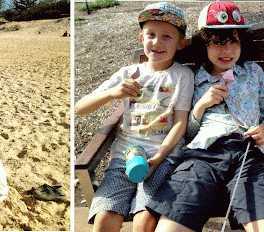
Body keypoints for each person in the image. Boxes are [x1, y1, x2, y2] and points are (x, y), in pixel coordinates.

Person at [146, 2, 264, 232]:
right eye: (218, 43)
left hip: (248, 154)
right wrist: (201, 106)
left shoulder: (253, 72)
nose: (227, 50)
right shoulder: (193, 78)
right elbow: (187, 133)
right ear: (204, 44)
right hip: (202, 157)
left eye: (234, 41)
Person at [75, 2, 194, 231]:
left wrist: (157, 159)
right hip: (124, 156)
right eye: (151, 34)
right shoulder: (128, 74)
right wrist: (113, 92)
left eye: (166, 36)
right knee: (104, 217)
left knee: (145, 218)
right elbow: (80, 108)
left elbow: (180, 123)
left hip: (162, 157)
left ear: (181, 44)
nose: (157, 42)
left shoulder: (182, 75)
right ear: (141, 38)